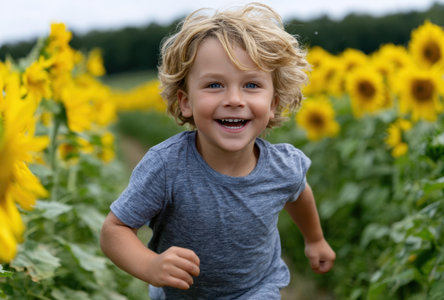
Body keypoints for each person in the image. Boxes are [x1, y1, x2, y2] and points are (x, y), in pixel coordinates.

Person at [100, 2, 336, 299]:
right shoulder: (167, 166)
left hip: (257, 289)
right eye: (214, 85)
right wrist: (151, 265)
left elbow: (298, 193)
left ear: (274, 102)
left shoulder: (282, 166)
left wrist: (314, 240)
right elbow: (114, 230)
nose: (234, 99)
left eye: (251, 85)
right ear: (186, 101)